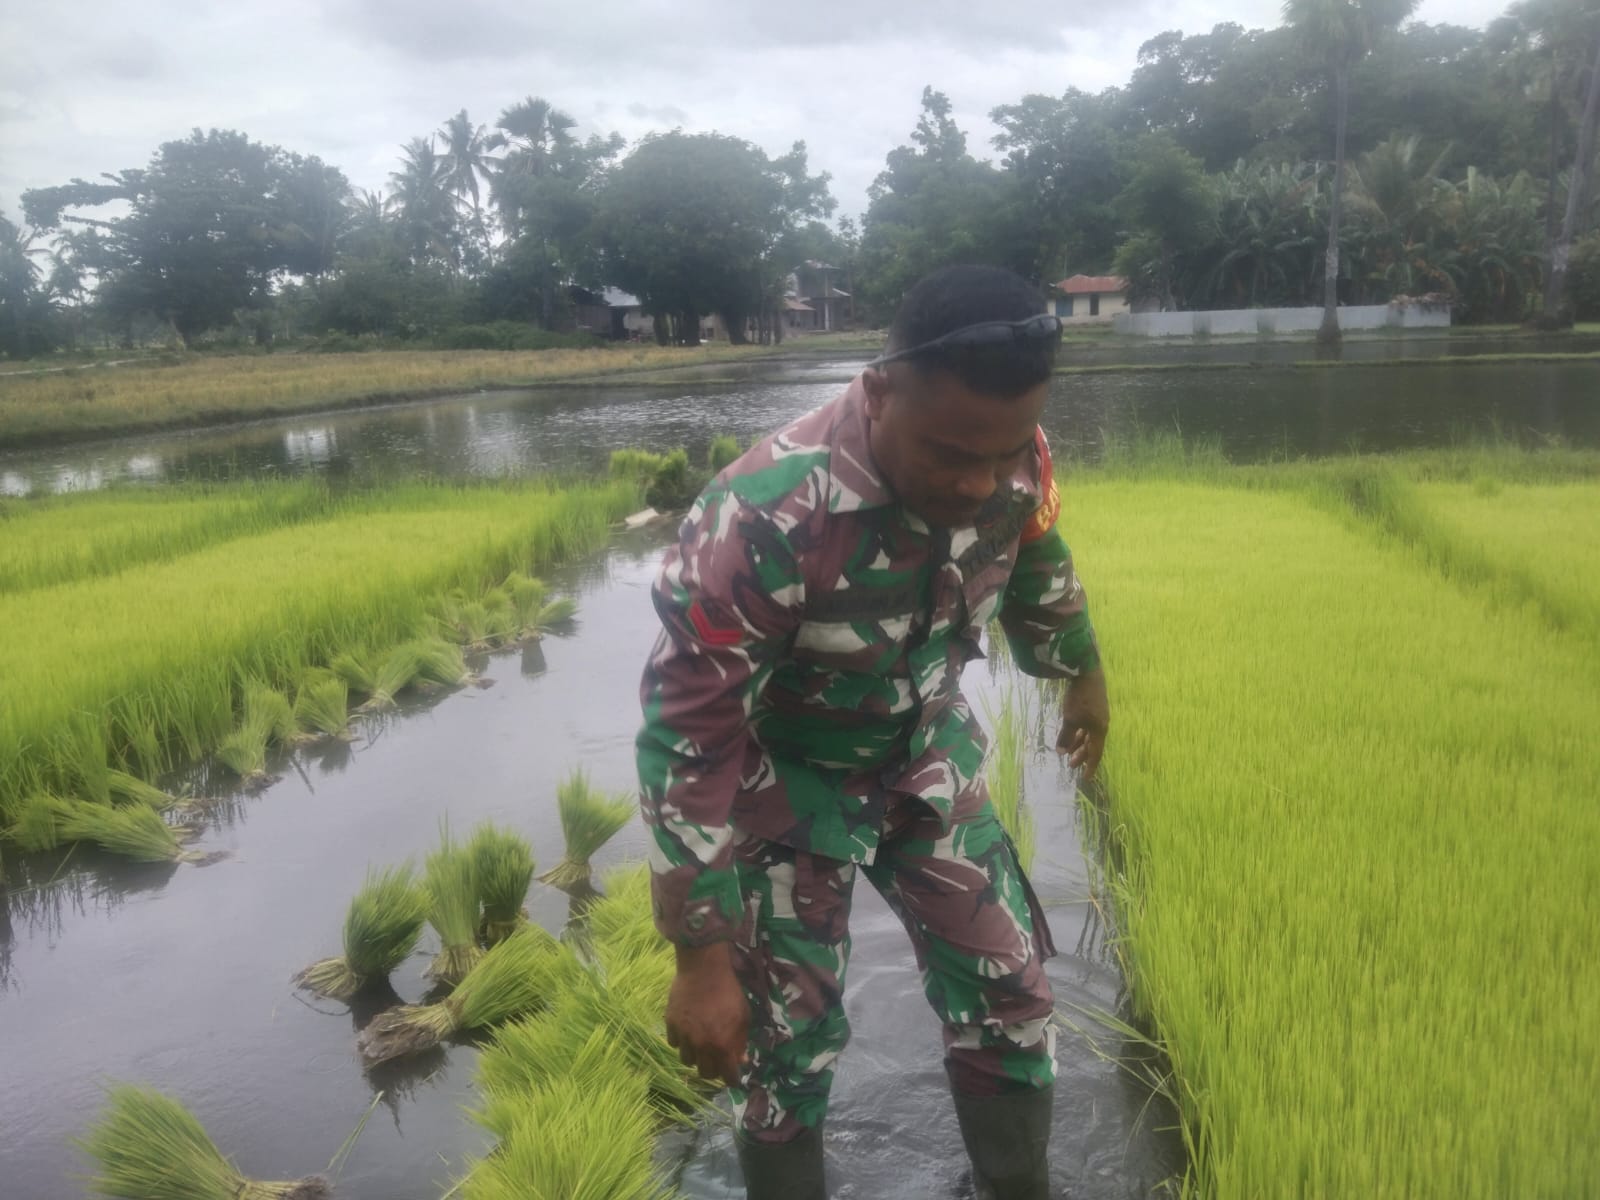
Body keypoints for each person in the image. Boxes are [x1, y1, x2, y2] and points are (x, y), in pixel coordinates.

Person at [635, 264, 1108, 1200]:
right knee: (782, 1056)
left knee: (1011, 996)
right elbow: (690, 734)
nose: (981, 482)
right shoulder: (765, 515)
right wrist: (698, 957)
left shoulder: (1012, 452)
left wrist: (1081, 673)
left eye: (1004, 453)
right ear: (881, 390)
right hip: (783, 792)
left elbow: (1039, 546)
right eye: (949, 455)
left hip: (926, 755)